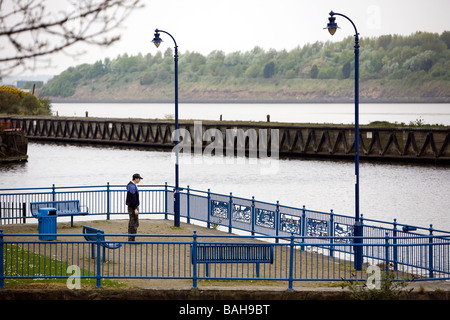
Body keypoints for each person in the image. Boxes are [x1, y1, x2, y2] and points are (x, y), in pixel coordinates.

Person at [126, 173, 143, 241]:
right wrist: (135, 208)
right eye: (139, 179)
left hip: (130, 206)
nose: (139, 180)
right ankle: (132, 239)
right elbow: (133, 199)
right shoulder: (132, 187)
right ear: (136, 179)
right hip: (133, 207)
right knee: (134, 222)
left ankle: (131, 238)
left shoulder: (130, 186)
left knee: (131, 222)